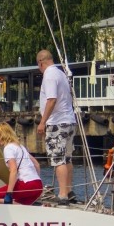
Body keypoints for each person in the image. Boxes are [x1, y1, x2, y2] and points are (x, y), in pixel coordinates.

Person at [35, 49, 77, 205]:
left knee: (58, 159)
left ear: (41, 62)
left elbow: (51, 100)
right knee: (67, 158)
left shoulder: (50, 75)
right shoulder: (61, 74)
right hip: (69, 120)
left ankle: (63, 194)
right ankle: (69, 190)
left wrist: (42, 122)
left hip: (57, 122)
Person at [0, 122, 43, 205]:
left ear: (3, 135)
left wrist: (9, 193)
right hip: (38, 185)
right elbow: (37, 164)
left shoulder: (8, 148)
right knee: (21, 206)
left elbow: (13, 170)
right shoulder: (20, 146)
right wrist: (37, 181)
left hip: (26, 184)